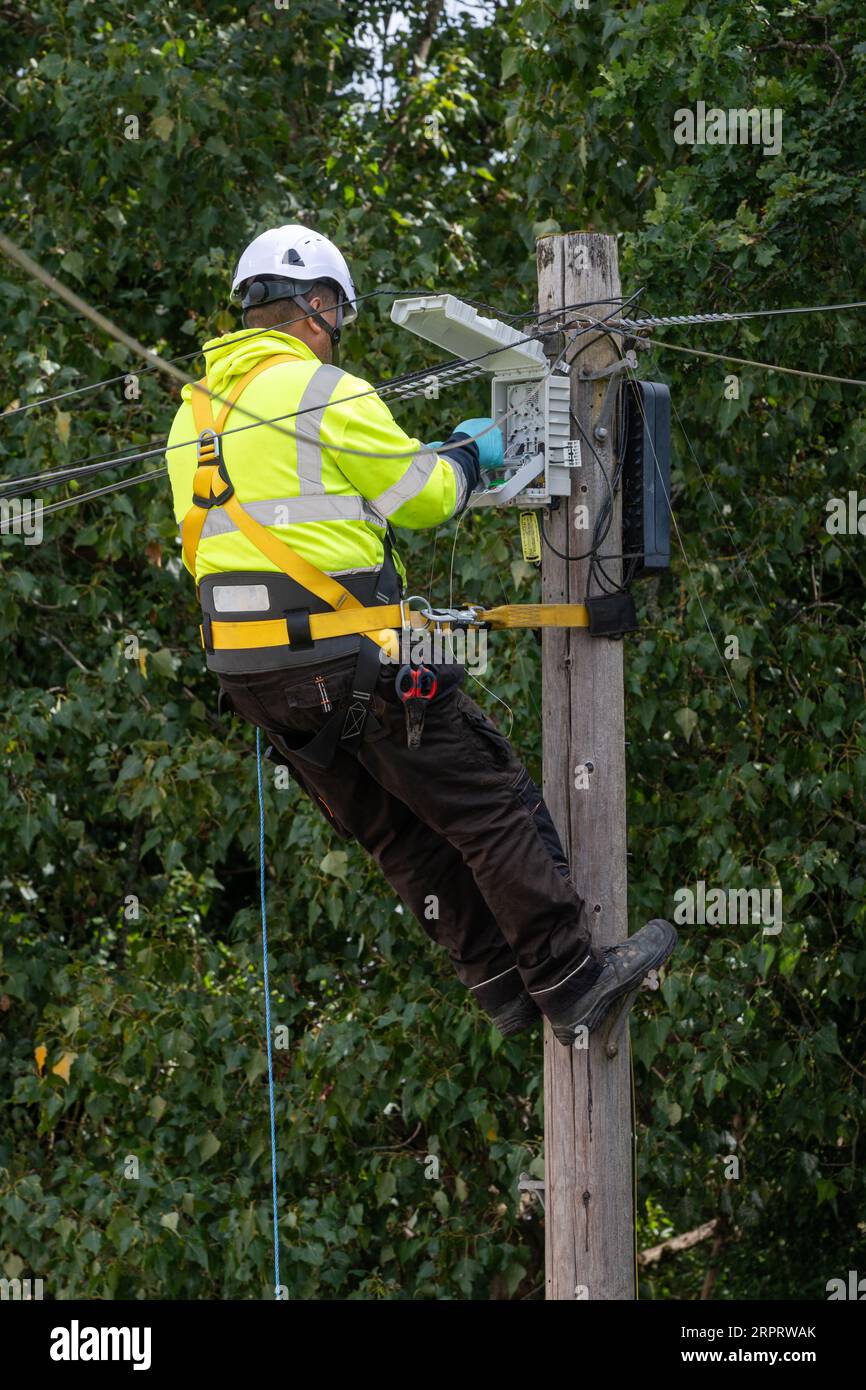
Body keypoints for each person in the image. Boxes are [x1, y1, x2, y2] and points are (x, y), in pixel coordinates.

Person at [165, 223, 676, 1043]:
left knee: (399, 834)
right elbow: (428, 500)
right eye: (338, 317)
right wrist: (472, 457)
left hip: (256, 682)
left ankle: (505, 985)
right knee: (488, 803)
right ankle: (571, 976)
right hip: (346, 660)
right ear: (319, 304)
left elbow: (288, 521)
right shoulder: (323, 391)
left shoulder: (192, 418)